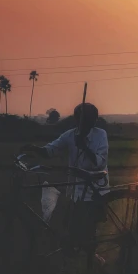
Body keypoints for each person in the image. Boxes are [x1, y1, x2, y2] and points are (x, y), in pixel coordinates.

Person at [21, 103, 109, 257]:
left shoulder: (100, 135)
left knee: (88, 229)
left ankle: (90, 262)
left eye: (89, 120)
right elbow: (51, 150)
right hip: (75, 190)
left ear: (94, 120)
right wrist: (34, 148)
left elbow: (100, 163)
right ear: (76, 120)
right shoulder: (70, 135)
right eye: (82, 120)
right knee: (71, 226)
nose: (85, 123)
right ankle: (79, 259)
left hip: (95, 189)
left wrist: (85, 148)